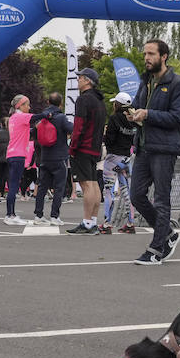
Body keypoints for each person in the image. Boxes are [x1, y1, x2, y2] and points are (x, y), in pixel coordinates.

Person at [129, 39, 180, 264]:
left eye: (151, 54)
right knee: (136, 196)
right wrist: (132, 113)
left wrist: (148, 114)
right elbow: (138, 106)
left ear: (164, 56)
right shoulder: (145, 81)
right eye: (145, 53)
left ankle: (156, 249)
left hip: (165, 148)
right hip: (144, 146)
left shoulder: (176, 83)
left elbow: (178, 117)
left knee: (161, 199)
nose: (146, 58)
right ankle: (167, 234)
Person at [66, 69, 107, 235]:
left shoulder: (83, 100)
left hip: (83, 147)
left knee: (86, 185)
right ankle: (93, 221)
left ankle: (87, 222)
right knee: (94, 183)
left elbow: (79, 126)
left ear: (88, 81)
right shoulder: (99, 101)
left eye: (80, 78)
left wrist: (72, 147)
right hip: (95, 147)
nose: (78, 80)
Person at [31, 91, 72, 226]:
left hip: (44, 157)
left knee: (42, 187)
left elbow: (33, 132)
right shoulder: (61, 118)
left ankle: (38, 215)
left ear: (48, 102)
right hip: (59, 157)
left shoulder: (42, 117)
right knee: (59, 188)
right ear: (60, 104)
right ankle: (54, 216)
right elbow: (71, 129)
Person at [100, 91, 138, 234]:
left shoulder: (114, 118)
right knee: (126, 190)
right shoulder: (133, 119)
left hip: (113, 159)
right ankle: (130, 223)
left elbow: (109, 139)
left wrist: (105, 137)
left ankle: (106, 224)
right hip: (126, 159)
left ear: (117, 104)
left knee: (109, 191)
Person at [2, 95, 33, 226]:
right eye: (27, 104)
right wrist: (50, 113)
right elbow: (38, 117)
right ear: (20, 105)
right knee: (14, 185)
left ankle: (11, 214)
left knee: (13, 185)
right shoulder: (21, 116)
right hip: (18, 155)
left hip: (12, 154)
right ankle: (10, 215)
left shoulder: (14, 117)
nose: (29, 107)